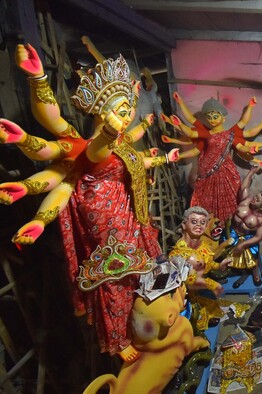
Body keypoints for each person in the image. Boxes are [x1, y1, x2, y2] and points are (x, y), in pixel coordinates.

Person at [8, 44, 181, 362]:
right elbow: (95, 152)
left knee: (137, 274)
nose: (126, 116)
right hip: (102, 219)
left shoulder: (121, 138)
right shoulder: (90, 145)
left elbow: (134, 157)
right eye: (120, 111)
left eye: (128, 109)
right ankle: (117, 340)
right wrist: (38, 80)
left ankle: (140, 324)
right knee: (112, 281)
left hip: (127, 212)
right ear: (102, 113)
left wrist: (160, 157)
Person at [171, 91, 262, 222]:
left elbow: (242, 138)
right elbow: (190, 127)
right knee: (206, 200)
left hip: (225, 172)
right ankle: (206, 226)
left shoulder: (230, 135)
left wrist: (251, 106)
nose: (212, 120)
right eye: (209, 117)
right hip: (206, 173)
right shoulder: (205, 134)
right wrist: (180, 109)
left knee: (229, 200)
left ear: (223, 118)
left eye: (215, 116)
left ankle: (227, 226)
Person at [220, 165, 262, 288]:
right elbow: (244, 187)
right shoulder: (246, 200)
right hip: (232, 233)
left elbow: (258, 237)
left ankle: (254, 273)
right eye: (256, 196)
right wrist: (251, 172)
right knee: (224, 253)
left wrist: (243, 245)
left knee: (252, 258)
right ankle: (226, 271)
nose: (254, 199)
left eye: (258, 200)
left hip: (247, 239)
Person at [169, 206, 232, 296]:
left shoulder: (203, 246)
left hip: (201, 293)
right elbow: (188, 283)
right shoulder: (179, 253)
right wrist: (212, 285)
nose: (198, 225)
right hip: (185, 298)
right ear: (184, 225)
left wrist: (220, 265)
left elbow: (209, 264)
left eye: (202, 223)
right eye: (194, 222)